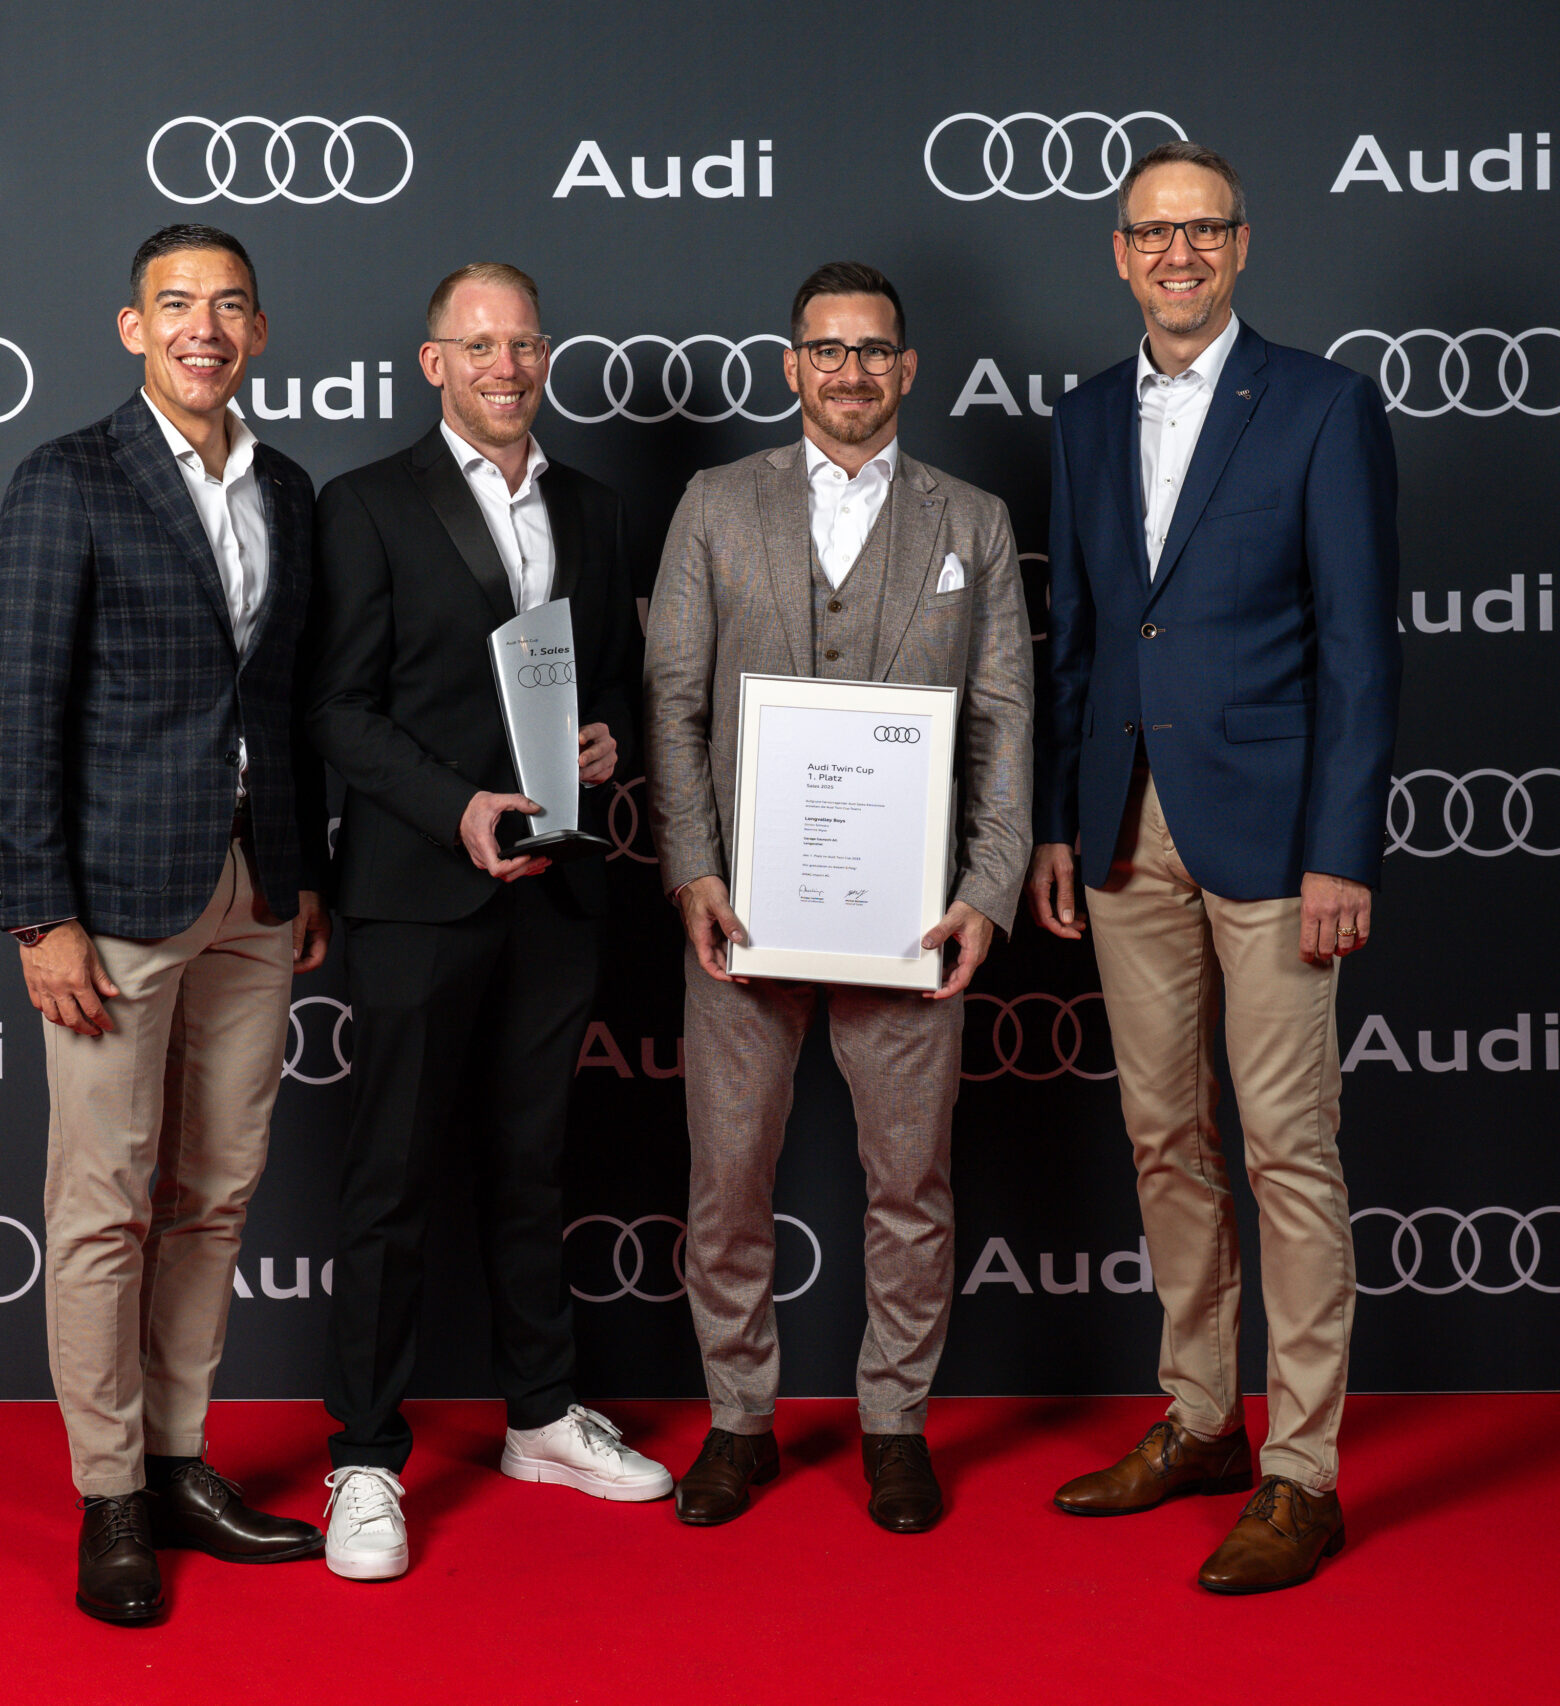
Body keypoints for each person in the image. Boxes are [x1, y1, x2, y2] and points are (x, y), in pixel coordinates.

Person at [1027, 141, 1401, 1593]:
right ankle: (1199, 1418)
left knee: (1288, 1146)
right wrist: (1062, 822)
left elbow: (1359, 646)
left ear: (1242, 245)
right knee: (1163, 1136)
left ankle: (1303, 1470)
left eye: (1203, 230)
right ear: (1119, 254)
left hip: (1275, 833)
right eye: (1151, 233)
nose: (1176, 254)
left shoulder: (1321, 404)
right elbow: (1077, 641)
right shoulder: (1080, 417)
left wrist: (1342, 848)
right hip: (1125, 826)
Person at [0, 224, 333, 1624]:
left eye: (229, 306)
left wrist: (300, 871)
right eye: (176, 304)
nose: (204, 328)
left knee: (217, 1192)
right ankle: (110, 1492)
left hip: (253, 890)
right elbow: (14, 707)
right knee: (103, 1203)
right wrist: (39, 915)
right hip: (113, 900)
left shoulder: (286, 487)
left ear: (260, 330)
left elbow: (284, 701)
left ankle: (180, 1462)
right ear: (133, 328)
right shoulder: (67, 477)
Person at [642, 262, 1034, 1533]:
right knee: (726, 1179)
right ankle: (739, 1417)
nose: (850, 371)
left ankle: (895, 1422)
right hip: (743, 915)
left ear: (906, 368)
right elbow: (672, 703)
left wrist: (986, 887)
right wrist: (694, 869)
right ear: (792, 365)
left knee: (911, 1182)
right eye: (827, 349)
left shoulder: (972, 520)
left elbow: (1004, 719)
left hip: (909, 920)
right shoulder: (715, 503)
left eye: (873, 350)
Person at [302, 262, 669, 1582]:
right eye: (478, 345)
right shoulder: (364, 504)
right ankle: (363, 1456)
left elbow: (613, 680)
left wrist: (609, 738)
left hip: (555, 893)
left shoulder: (597, 507)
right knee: (389, 1182)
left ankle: (539, 1416)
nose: (504, 365)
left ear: (544, 357)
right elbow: (335, 707)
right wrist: (453, 806)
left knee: (532, 1168)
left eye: (523, 343)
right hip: (418, 891)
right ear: (433, 363)